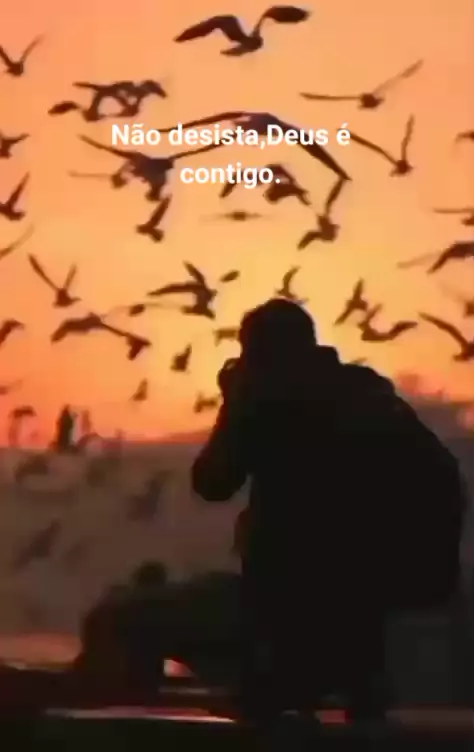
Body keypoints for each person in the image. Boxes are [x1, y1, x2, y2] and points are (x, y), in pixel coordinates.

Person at [191, 298, 465, 724]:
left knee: (285, 532)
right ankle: (348, 677)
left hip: (313, 582)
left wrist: (235, 404)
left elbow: (213, 482)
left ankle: (292, 676)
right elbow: (441, 478)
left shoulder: (274, 402)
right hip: (385, 578)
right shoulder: (366, 394)